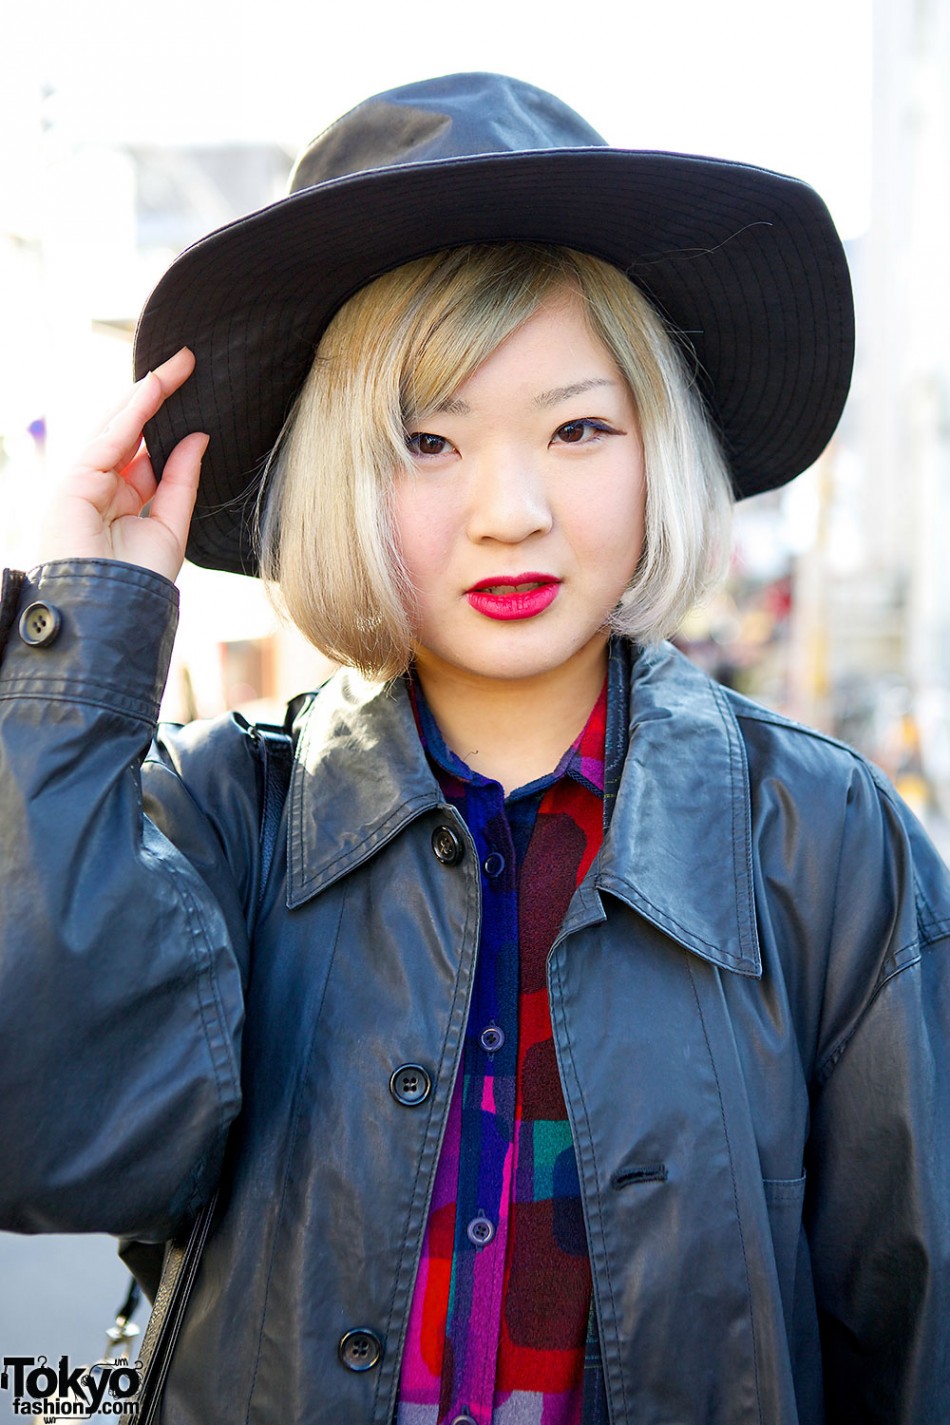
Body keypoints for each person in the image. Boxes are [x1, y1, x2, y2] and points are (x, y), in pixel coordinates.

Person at [0, 72, 948, 1425]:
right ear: (337, 476)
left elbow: (914, 1326)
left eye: (576, 428)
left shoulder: (825, 842)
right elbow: (43, 1141)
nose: (511, 510)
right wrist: (82, 635)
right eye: (424, 440)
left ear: (654, 445)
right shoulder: (218, 815)